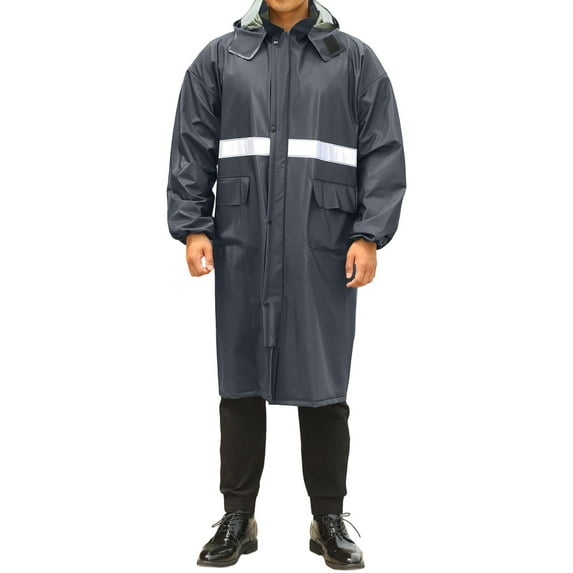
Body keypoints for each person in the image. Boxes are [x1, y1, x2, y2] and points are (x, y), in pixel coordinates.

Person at [165, 0, 406, 568]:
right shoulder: (221, 58)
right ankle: (237, 516)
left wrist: (369, 233)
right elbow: (192, 146)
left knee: (323, 383)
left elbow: (382, 151)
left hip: (321, 244)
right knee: (240, 380)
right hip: (243, 241)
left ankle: (328, 518)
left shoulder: (353, 60)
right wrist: (193, 225)